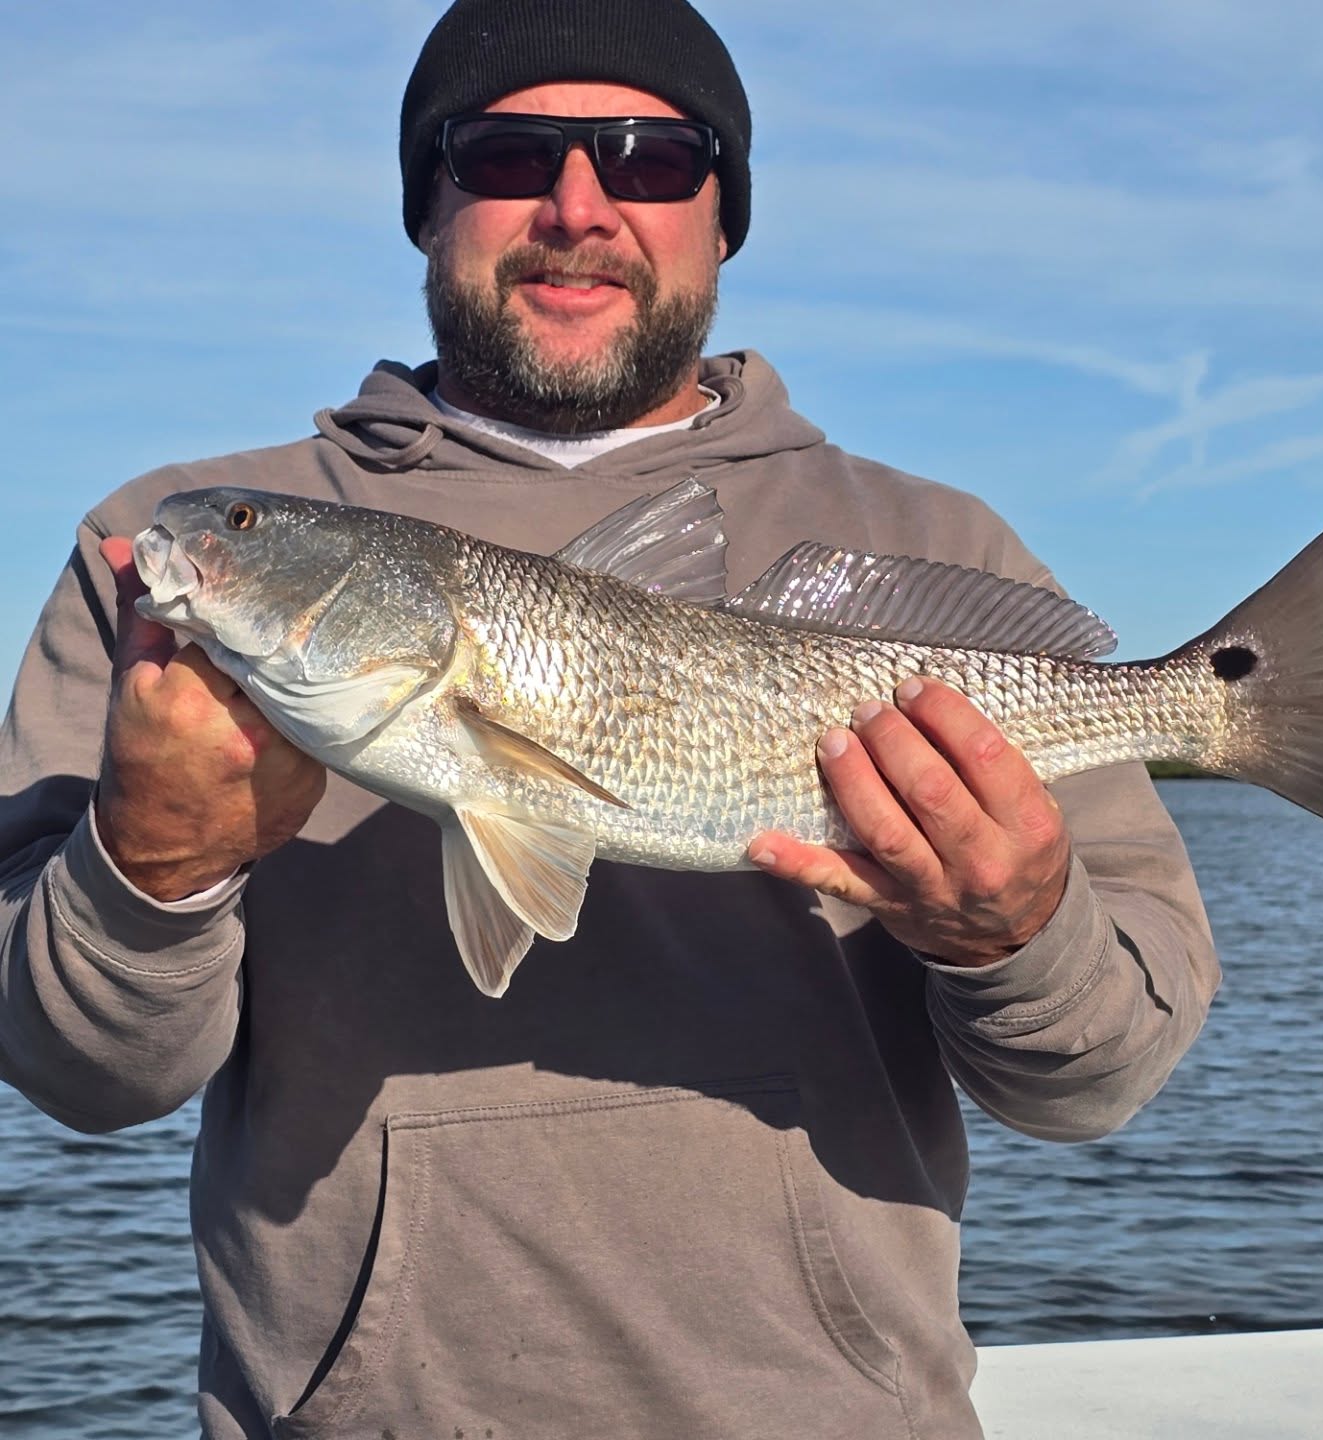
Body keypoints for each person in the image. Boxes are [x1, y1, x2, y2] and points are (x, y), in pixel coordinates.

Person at [0, 2, 1219, 1436]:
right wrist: (152, 870)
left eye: (651, 157)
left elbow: (1098, 1084)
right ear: (428, 202)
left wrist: (1017, 934)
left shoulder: (940, 547)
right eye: (507, 154)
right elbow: (79, 1078)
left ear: (724, 214)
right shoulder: (156, 564)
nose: (579, 207)